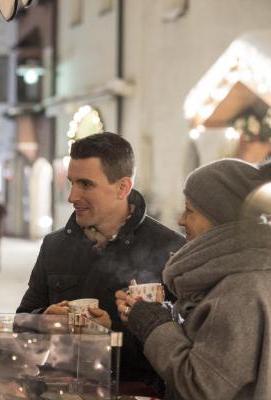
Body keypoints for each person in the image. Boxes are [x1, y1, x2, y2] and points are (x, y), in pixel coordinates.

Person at [116, 158, 271, 399]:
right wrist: (159, 316)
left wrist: (155, 325)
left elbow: (202, 388)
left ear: (220, 220)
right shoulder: (253, 271)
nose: (182, 220)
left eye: (190, 210)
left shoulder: (239, 289)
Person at [16, 132, 186, 391]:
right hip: (59, 394)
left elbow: (183, 352)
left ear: (123, 188)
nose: (72, 196)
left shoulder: (170, 250)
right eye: (72, 182)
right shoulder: (54, 246)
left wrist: (111, 337)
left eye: (86, 184)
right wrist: (43, 320)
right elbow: (21, 324)